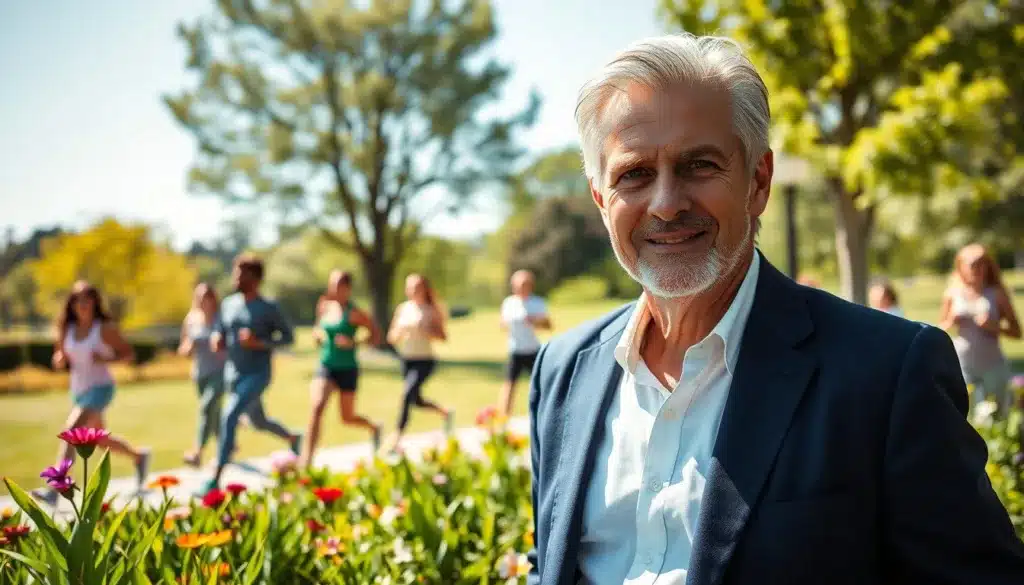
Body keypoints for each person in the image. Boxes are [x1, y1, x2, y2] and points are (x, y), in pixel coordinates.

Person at [526, 34, 1024, 585]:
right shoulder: (563, 370)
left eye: (698, 165)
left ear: (758, 182)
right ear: (601, 197)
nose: (666, 202)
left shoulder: (885, 373)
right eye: (635, 174)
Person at [33, 281, 150, 505]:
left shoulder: (103, 329)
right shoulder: (66, 328)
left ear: (95, 302)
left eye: (88, 298)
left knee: (71, 431)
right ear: (72, 303)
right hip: (79, 389)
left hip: (101, 387)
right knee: (99, 440)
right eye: (78, 299)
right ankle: (139, 456)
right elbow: (60, 355)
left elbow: (128, 355)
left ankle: (58, 487)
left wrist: (105, 358)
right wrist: (59, 360)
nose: (83, 303)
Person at [202, 254, 301, 493]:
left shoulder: (268, 308)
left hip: (258, 374)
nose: (236, 278)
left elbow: (289, 338)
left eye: (241, 274)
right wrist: (217, 338)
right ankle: (293, 438)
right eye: (236, 273)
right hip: (233, 374)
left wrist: (260, 343)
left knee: (230, 415)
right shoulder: (228, 304)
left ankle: (215, 479)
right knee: (258, 421)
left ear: (255, 278)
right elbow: (219, 328)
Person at [300, 270, 383, 467]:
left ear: (347, 288)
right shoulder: (324, 306)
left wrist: (353, 342)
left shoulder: (355, 313)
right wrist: (317, 336)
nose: (334, 289)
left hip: (347, 369)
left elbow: (375, 335)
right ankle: (306, 460)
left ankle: (374, 427)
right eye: (332, 284)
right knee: (317, 407)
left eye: (339, 285)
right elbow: (317, 329)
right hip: (326, 365)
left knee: (347, 418)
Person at [939, 243, 1022, 415]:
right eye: (970, 265)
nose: (975, 269)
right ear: (961, 267)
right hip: (963, 363)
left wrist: (994, 326)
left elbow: (1017, 332)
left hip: (992, 364)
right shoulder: (952, 294)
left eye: (979, 264)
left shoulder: (996, 293)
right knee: (964, 413)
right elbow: (939, 330)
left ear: (987, 267)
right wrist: (951, 321)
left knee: (998, 413)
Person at [385, 273, 453, 452]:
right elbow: (391, 337)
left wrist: (426, 330)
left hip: (425, 360)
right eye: (409, 287)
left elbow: (443, 336)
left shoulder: (431, 310)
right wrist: (400, 332)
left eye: (416, 287)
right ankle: (444, 412)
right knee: (415, 399)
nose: (412, 291)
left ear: (424, 289)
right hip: (407, 359)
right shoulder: (403, 309)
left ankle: (396, 437)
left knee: (407, 394)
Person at [178, 282, 227, 467]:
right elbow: (183, 347)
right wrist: (187, 347)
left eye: (207, 296)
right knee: (213, 414)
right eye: (200, 297)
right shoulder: (191, 319)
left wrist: (220, 345)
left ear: (213, 299)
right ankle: (228, 447)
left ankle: (197, 452)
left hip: (220, 372)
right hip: (200, 373)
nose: (204, 300)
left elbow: (227, 342)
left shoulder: (220, 319)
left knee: (207, 407)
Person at [497, 269, 551, 417]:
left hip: (533, 349)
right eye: (517, 285)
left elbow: (548, 325)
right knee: (509, 385)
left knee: (541, 384)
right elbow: (502, 324)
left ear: (530, 285)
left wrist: (534, 321)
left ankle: (544, 413)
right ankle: (504, 418)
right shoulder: (509, 303)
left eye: (523, 285)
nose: (520, 288)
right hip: (516, 350)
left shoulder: (537, 302)